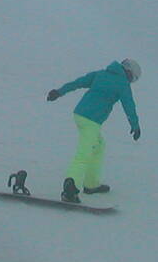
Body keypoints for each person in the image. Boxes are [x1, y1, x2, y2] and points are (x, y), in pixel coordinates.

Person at [47, 58, 142, 203]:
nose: (131, 81)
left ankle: (91, 184)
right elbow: (129, 105)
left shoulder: (101, 74)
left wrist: (59, 92)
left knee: (98, 147)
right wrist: (135, 125)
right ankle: (70, 189)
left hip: (80, 114)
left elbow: (77, 83)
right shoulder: (123, 84)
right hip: (91, 121)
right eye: (132, 78)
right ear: (129, 73)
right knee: (84, 154)